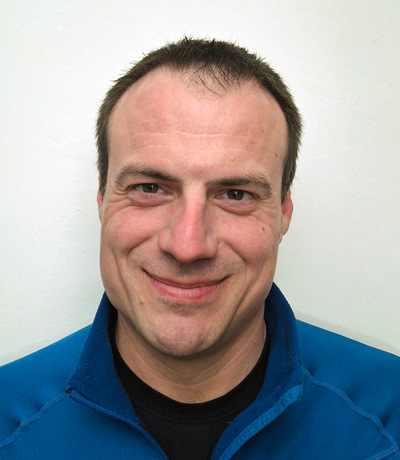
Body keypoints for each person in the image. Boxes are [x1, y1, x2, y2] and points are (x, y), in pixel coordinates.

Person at [0, 37, 399, 460]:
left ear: (283, 213)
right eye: (149, 188)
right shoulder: (9, 420)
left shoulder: (389, 416)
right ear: (102, 198)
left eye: (236, 194)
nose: (188, 246)